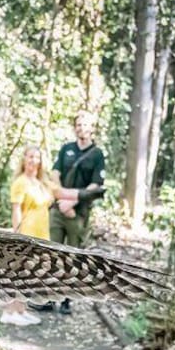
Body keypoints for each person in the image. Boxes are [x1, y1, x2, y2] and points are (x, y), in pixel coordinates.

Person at [0, 145, 104, 326]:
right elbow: (16, 211)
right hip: (26, 232)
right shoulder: (20, 182)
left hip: (41, 233)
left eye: (37, 157)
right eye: (30, 157)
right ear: (24, 159)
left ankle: (21, 310)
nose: (33, 161)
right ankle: (8, 312)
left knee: (29, 275)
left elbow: (64, 193)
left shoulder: (43, 183)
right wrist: (17, 233)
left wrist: (90, 193)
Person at [49, 110, 107, 314]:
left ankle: (66, 299)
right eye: (78, 124)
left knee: (72, 257)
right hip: (58, 210)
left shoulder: (97, 154)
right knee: (51, 253)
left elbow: (96, 186)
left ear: (92, 128)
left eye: (85, 124)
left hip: (78, 213)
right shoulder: (66, 149)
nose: (81, 127)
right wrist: (61, 198)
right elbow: (55, 174)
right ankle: (48, 297)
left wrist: (72, 202)